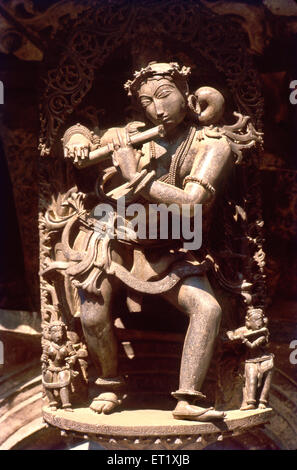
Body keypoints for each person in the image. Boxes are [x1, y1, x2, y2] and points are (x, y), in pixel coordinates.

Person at [61, 61, 261, 421]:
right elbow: (83, 135)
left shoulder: (213, 144)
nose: (157, 108)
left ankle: (189, 398)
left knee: (208, 309)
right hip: (119, 238)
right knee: (92, 307)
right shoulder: (135, 132)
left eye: (165, 96)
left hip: (179, 245)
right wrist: (78, 141)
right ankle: (108, 383)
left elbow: (194, 202)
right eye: (147, 100)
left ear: (188, 96)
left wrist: (133, 174)